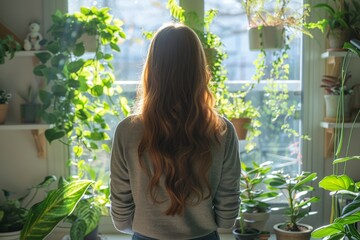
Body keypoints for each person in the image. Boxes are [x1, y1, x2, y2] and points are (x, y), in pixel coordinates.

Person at [110, 22, 240, 240]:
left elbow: (121, 217)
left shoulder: (127, 131)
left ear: (152, 68)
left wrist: (149, 226)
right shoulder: (222, 130)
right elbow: (227, 217)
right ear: (199, 71)